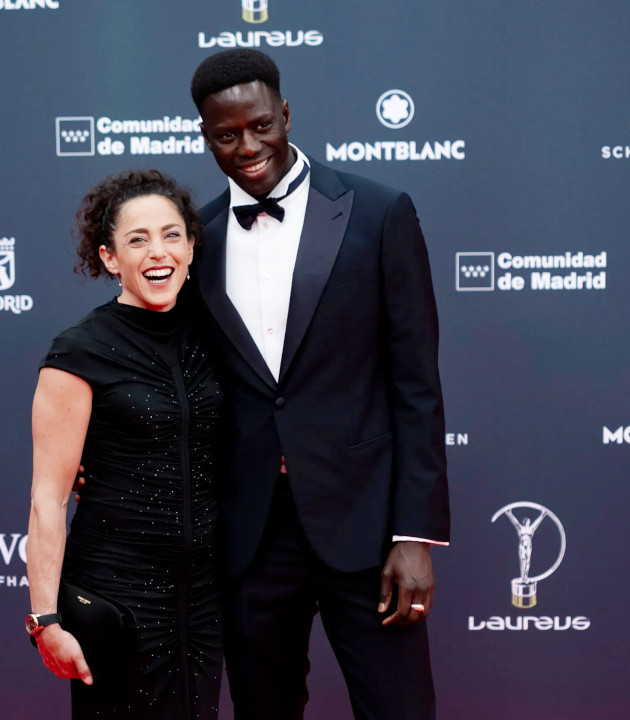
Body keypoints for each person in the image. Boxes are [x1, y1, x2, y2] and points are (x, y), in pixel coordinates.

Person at [187, 48, 451, 719]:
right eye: (226, 134)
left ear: (286, 115)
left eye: (261, 125)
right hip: (250, 533)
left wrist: (414, 533)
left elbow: (416, 383)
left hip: (365, 527)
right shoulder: (198, 238)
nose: (247, 146)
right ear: (206, 136)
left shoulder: (379, 213)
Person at [26, 169, 223, 719]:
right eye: (138, 240)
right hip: (117, 604)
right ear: (110, 258)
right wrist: (45, 619)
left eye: (171, 234)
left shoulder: (215, 336)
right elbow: (48, 498)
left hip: (203, 605)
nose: (158, 252)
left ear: (190, 246)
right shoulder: (80, 353)